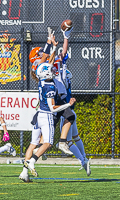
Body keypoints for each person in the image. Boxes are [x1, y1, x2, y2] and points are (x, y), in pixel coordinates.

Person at [19, 47, 76, 181]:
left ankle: (24, 173)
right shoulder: (50, 86)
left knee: (33, 144)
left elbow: (48, 64)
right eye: (50, 71)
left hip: (39, 114)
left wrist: (54, 48)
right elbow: (53, 108)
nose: (52, 70)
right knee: (48, 143)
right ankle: (32, 161)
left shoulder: (41, 81)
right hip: (46, 115)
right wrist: (68, 104)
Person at [30, 26, 75, 155]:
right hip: (51, 96)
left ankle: (43, 149)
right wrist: (49, 42)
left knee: (64, 119)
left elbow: (62, 54)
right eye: (38, 54)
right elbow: (45, 56)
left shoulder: (49, 62)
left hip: (56, 95)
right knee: (52, 127)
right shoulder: (39, 66)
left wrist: (65, 37)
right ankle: (42, 150)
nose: (42, 54)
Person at [58, 54, 91, 176]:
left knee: (68, 142)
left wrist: (64, 64)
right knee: (76, 137)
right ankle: (84, 158)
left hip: (66, 113)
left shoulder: (63, 83)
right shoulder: (67, 83)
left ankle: (83, 161)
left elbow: (62, 76)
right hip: (72, 112)